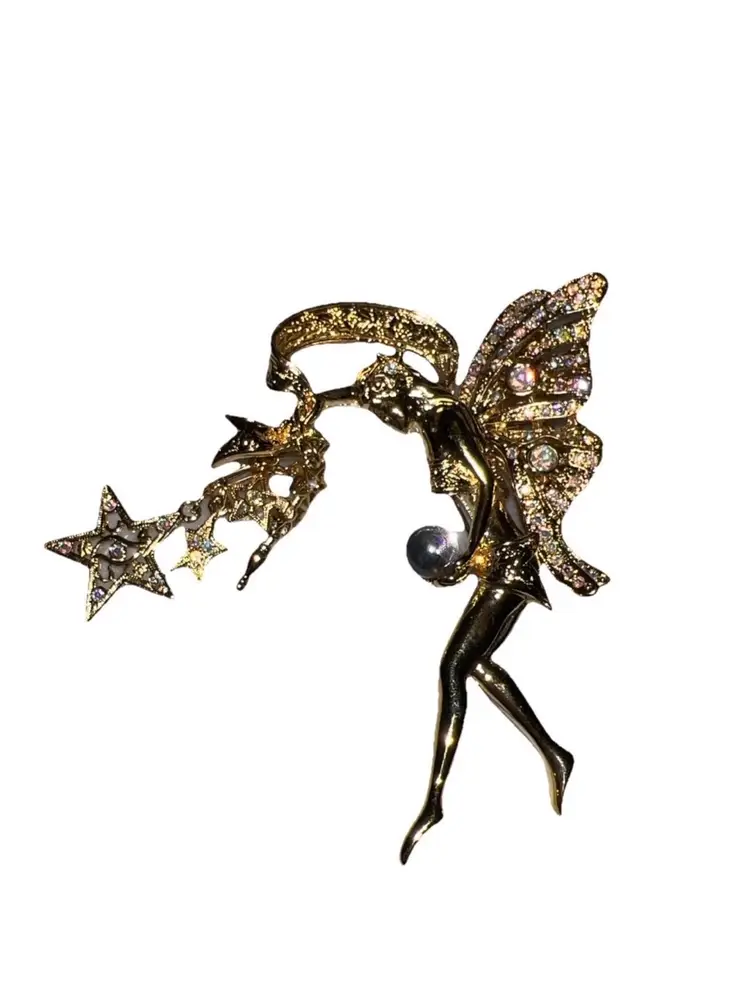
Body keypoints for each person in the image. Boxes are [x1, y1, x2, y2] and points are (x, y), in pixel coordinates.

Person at [321, 353, 574, 863]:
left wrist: (466, 555)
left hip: (506, 560)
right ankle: (554, 754)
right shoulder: (430, 415)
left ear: (399, 395)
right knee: (474, 664)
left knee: (453, 667)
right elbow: (363, 394)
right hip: (497, 558)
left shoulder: (443, 419)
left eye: (383, 411)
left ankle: (435, 802)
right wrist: (319, 401)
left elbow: (485, 482)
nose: (386, 421)